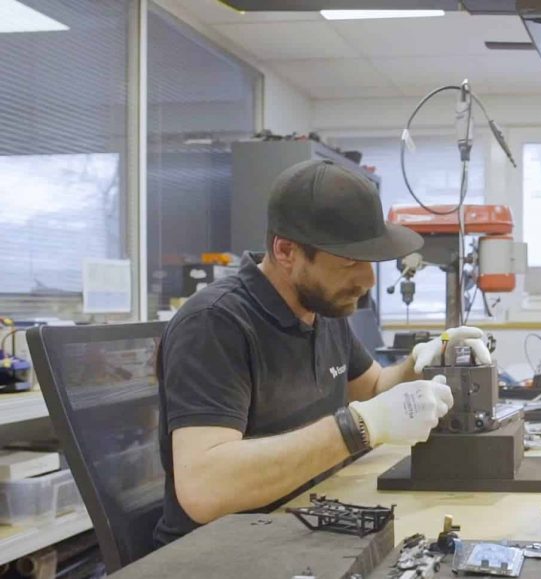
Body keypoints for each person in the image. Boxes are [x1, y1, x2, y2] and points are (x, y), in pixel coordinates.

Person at [153, 159, 491, 545]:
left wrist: (423, 363)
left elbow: (372, 388)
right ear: (286, 251)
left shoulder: (322, 308)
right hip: (221, 552)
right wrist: (359, 427)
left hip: (301, 526)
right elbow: (205, 488)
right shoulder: (215, 323)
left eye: (371, 261)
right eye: (349, 261)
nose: (367, 280)